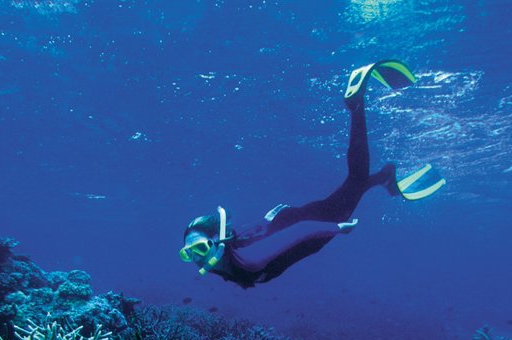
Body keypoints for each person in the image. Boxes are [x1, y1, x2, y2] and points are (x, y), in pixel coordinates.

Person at [179, 59, 445, 288]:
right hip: (290, 220)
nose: (197, 258)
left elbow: (302, 232)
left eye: (200, 248)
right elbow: (251, 236)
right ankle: (385, 178)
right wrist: (270, 219)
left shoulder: (248, 262)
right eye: (188, 254)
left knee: (355, 179)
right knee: (353, 187)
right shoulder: (223, 256)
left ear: (217, 241)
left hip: (309, 224)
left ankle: (356, 105)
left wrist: (336, 229)